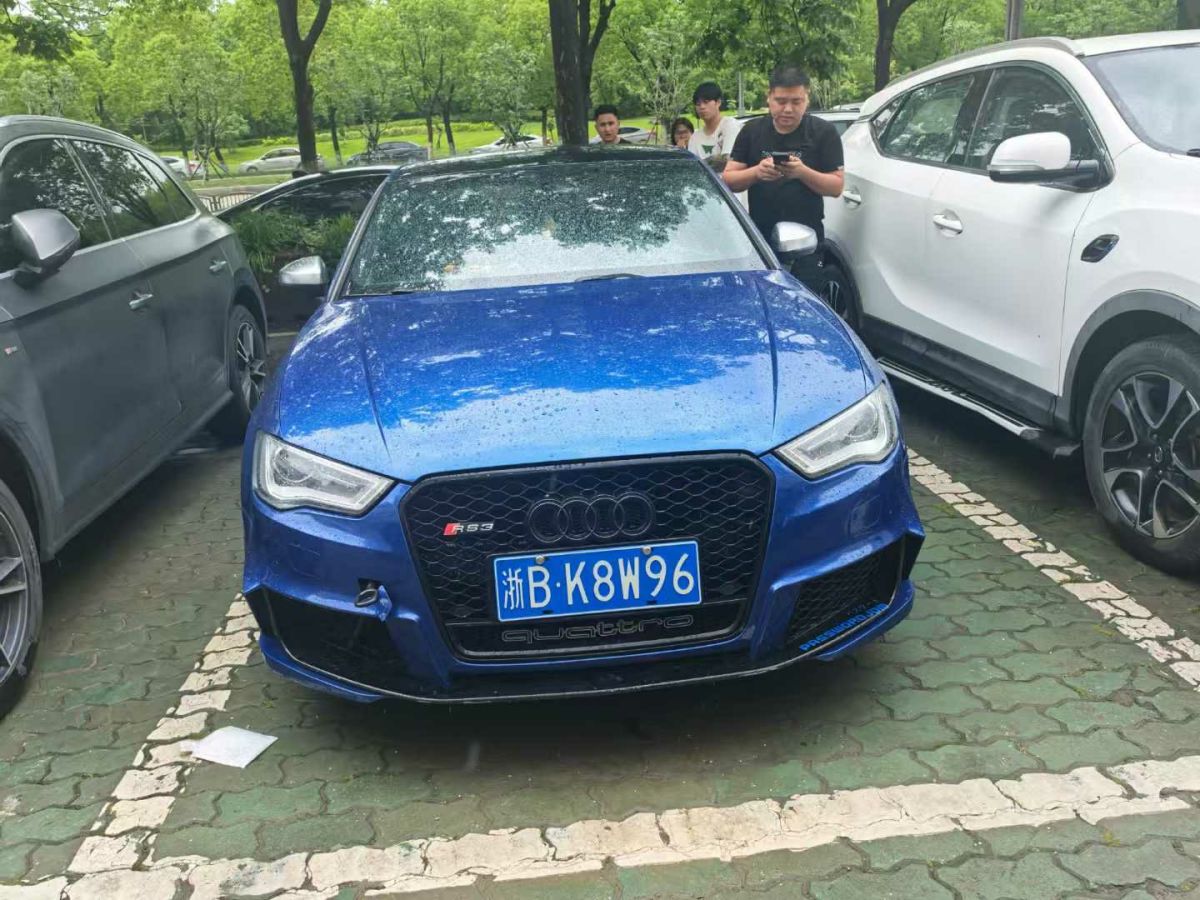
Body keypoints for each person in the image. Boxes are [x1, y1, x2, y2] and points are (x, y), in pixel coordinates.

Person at [724, 65, 844, 293]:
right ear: (769, 98)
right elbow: (728, 179)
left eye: (796, 101)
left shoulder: (823, 132)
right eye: (780, 101)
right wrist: (756, 173)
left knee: (804, 302)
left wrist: (802, 172)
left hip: (808, 242)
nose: (788, 109)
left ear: (807, 99)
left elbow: (836, 186)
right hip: (760, 241)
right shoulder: (752, 131)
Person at [687, 82, 741, 170]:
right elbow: (691, 168)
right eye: (698, 104)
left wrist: (701, 164)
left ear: (718, 102)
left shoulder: (730, 125)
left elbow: (728, 160)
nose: (702, 107)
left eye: (706, 102)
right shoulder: (695, 138)